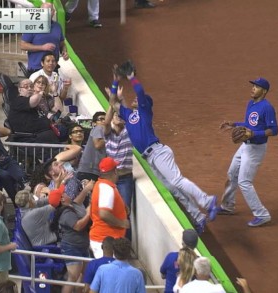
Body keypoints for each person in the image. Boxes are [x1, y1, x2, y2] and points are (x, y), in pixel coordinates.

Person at [107, 65, 217, 233]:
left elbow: (140, 92)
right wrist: (115, 81)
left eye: (139, 100)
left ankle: (208, 202)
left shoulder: (144, 111)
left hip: (158, 152)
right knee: (173, 188)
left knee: (177, 181)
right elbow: (113, 103)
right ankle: (198, 216)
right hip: (150, 158)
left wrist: (131, 78)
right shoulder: (129, 115)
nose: (135, 99)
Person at [218, 77, 278, 227]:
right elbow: (248, 124)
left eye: (257, 87)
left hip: (256, 150)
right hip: (245, 146)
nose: (253, 88)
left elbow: (274, 130)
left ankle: (262, 214)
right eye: (253, 86)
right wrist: (233, 124)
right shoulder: (250, 103)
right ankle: (228, 206)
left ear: (264, 91)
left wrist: (254, 135)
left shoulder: (267, 107)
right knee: (232, 174)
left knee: (244, 181)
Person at [51, 179, 94, 293]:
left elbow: (78, 200)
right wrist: (89, 213)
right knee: (73, 277)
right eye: (64, 193)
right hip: (72, 247)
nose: (66, 193)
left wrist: (86, 189)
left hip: (82, 246)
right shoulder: (66, 213)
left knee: (86, 275)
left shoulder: (70, 205)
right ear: (62, 199)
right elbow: (78, 226)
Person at [89, 157, 129, 258]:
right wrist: (122, 223)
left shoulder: (103, 185)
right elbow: (104, 214)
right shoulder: (106, 189)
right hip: (104, 242)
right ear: (115, 171)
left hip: (106, 241)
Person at [20, 3, 68, 76]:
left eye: (49, 10)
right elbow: (22, 45)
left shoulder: (57, 26)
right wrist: (42, 47)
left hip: (53, 69)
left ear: (53, 12)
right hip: (36, 69)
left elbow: (62, 43)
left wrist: (64, 52)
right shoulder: (32, 25)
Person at [8, 79, 60, 143]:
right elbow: (34, 101)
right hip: (33, 142)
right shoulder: (18, 101)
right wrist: (41, 92)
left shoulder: (37, 103)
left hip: (47, 135)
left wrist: (55, 92)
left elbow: (58, 109)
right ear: (19, 89)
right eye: (26, 87)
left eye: (31, 86)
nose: (29, 88)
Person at [29, 52, 72, 117]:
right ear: (42, 63)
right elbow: (29, 96)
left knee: (69, 117)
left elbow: (61, 98)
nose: (51, 63)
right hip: (39, 110)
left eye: (53, 61)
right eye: (48, 61)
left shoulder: (56, 75)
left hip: (54, 108)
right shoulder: (35, 76)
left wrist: (65, 88)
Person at [160, 229, 198, 293]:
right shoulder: (199, 262)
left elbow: (162, 274)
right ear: (196, 245)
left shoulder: (171, 257)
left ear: (182, 243)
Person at [76, 111, 107, 181]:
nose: (104, 121)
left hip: (91, 171)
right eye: (101, 119)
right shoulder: (98, 128)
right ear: (94, 123)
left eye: (105, 119)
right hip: (90, 170)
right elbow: (97, 144)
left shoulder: (104, 132)